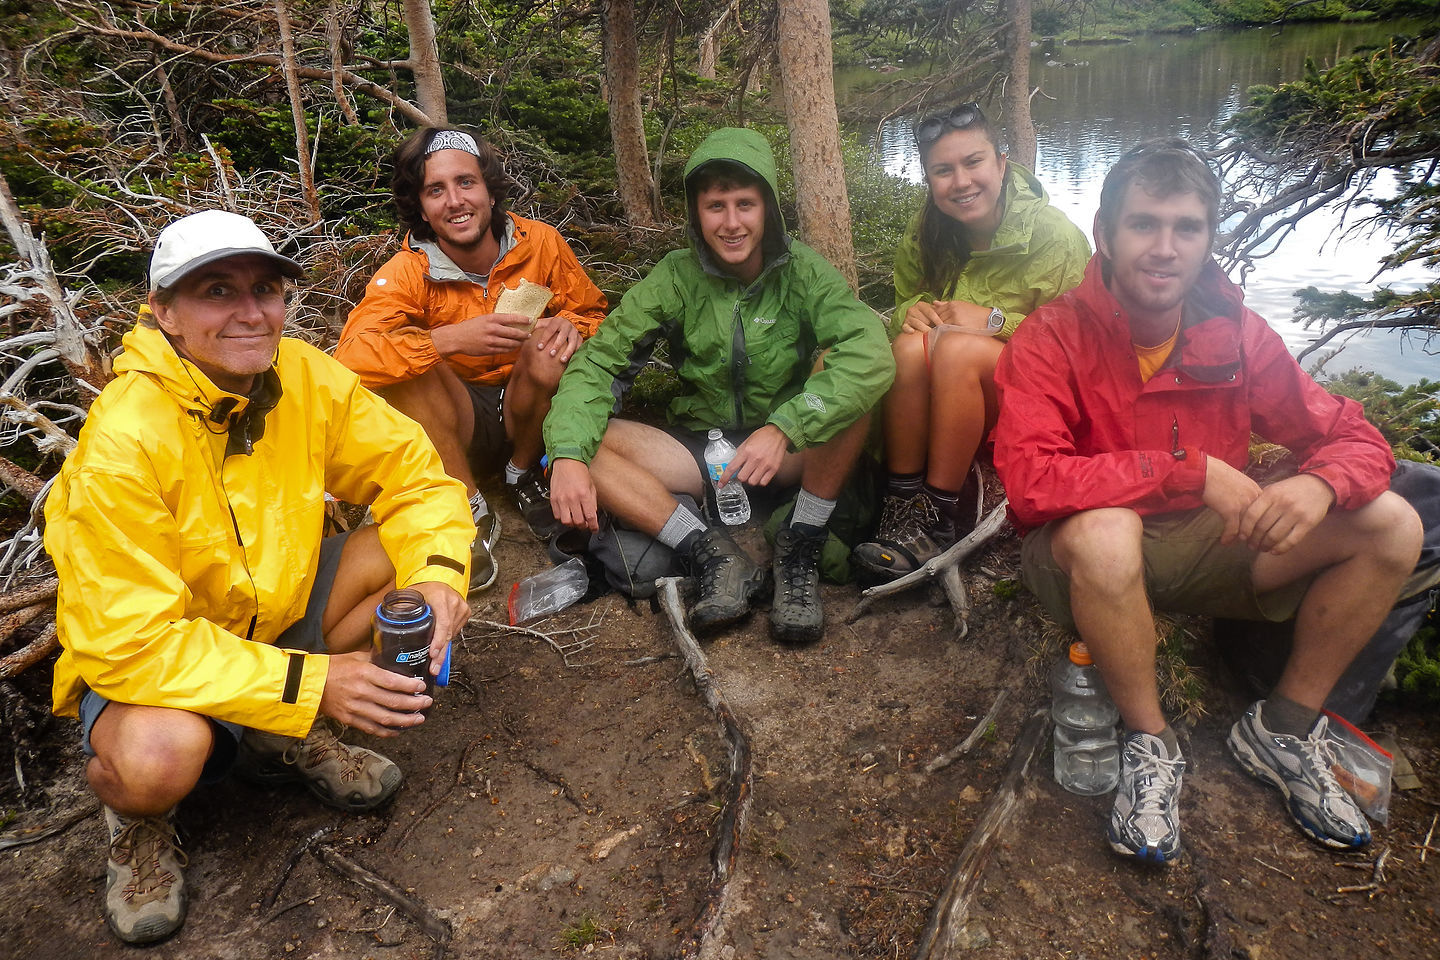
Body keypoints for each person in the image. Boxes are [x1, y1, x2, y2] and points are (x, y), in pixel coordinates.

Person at [44, 210, 475, 944]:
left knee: (404, 562)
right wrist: (314, 684)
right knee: (158, 759)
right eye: (217, 291)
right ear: (165, 313)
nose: (251, 313)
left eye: (266, 289)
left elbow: (417, 476)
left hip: (272, 617)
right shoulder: (126, 441)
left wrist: (440, 577)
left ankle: (276, 738)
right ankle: (140, 822)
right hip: (155, 670)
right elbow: (132, 643)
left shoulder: (302, 375)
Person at [992, 140, 1423, 864]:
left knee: (1392, 524)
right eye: (1144, 225)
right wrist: (1189, 471)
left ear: (1208, 239)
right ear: (1104, 234)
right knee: (1104, 533)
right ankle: (1151, 743)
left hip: (1208, 546)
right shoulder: (1051, 336)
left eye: (1186, 228)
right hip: (1083, 557)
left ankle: (1283, 727)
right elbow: (1033, 484)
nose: (1164, 248)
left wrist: (1320, 483)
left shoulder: (1240, 335)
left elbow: (1355, 437)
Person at [544, 128, 894, 645]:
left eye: (746, 204)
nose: (731, 223)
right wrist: (567, 455)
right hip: (704, 453)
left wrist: (785, 427)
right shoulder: (676, 277)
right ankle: (711, 551)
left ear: (769, 208)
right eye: (715, 206)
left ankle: (801, 545)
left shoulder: (803, 272)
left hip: (792, 450)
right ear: (696, 212)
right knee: (587, 443)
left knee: (844, 384)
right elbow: (598, 366)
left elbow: (870, 354)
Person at [337, 126, 608, 560]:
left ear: (490, 191)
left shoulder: (540, 244)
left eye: (466, 182)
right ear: (422, 210)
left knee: (549, 348)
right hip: (458, 422)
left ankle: (522, 474)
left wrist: (573, 325)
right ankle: (466, 500)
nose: (455, 201)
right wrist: (443, 341)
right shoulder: (408, 271)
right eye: (436, 190)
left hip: (531, 411)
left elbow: (593, 311)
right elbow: (350, 359)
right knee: (405, 364)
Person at [852, 103, 1089, 580]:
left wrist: (997, 320)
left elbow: (1082, 346)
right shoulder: (927, 231)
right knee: (907, 348)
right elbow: (906, 300)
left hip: (1034, 397)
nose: (960, 182)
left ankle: (939, 516)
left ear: (1002, 162)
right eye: (943, 170)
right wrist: (910, 312)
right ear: (928, 179)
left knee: (957, 348)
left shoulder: (1055, 236)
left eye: (973, 162)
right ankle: (901, 507)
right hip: (947, 391)